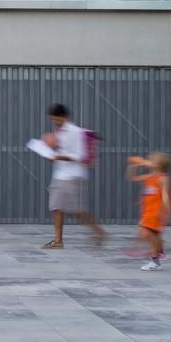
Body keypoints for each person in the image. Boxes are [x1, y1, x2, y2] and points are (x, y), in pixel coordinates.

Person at [41, 104, 108, 249]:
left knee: (76, 210)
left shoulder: (74, 132)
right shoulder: (58, 132)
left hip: (72, 176)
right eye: (52, 119)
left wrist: (57, 156)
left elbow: (79, 155)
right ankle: (58, 240)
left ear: (64, 117)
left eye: (56, 119)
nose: (54, 122)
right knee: (56, 207)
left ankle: (99, 232)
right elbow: (58, 153)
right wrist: (49, 149)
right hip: (60, 175)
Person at [127, 153, 171, 270]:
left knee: (147, 234)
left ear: (158, 165)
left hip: (156, 212)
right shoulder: (149, 177)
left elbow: (165, 196)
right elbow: (131, 178)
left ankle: (155, 261)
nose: (148, 161)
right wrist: (133, 166)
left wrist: (167, 210)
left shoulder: (163, 178)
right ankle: (160, 252)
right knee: (153, 234)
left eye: (152, 160)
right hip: (147, 211)